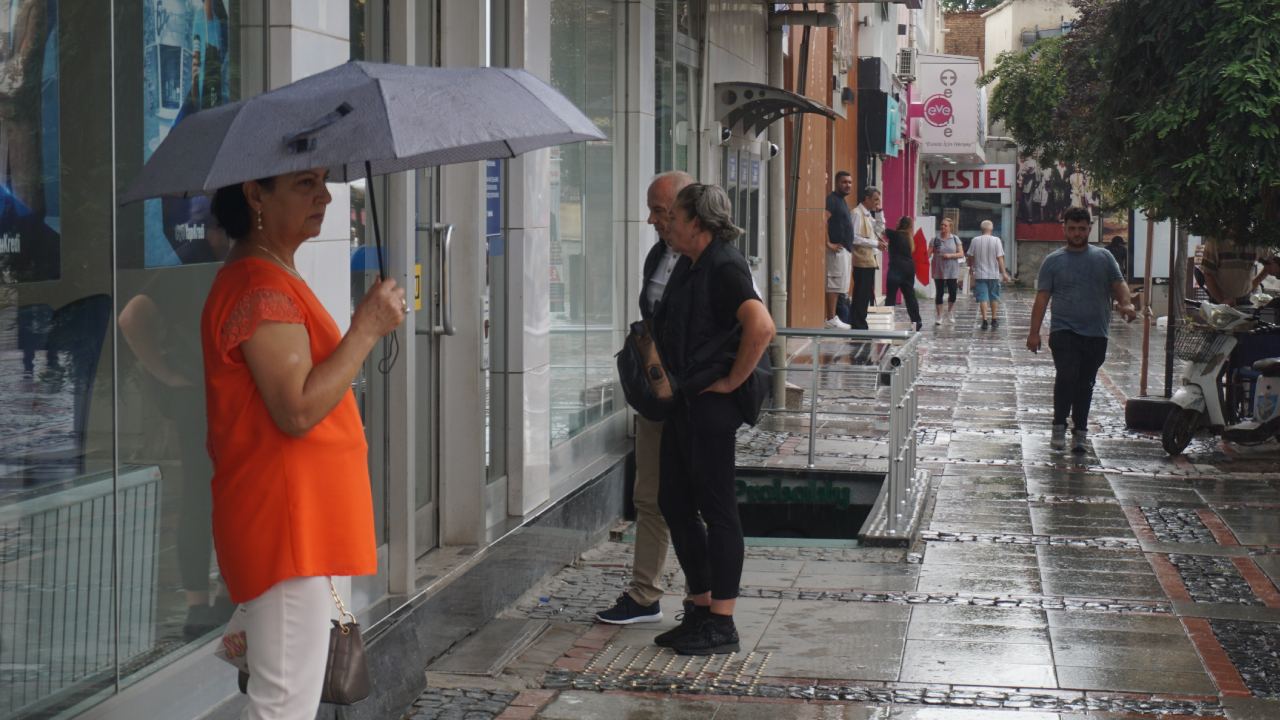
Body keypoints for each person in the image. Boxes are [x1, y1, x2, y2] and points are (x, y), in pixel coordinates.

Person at [203, 168, 406, 718]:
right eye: (303, 183)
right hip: (285, 526)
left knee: (284, 693)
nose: (324, 195)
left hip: (291, 521)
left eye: (322, 181)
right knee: (284, 702)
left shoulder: (267, 275)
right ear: (255, 195)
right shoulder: (259, 287)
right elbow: (295, 408)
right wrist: (365, 328)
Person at [652, 183, 775, 655]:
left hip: (711, 405)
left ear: (698, 224)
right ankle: (700, 606)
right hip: (686, 401)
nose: (669, 227)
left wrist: (731, 381)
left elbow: (761, 326)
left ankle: (722, 621)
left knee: (718, 510)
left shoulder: (724, 264)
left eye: (675, 219)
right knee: (674, 500)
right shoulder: (690, 263)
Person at [595, 171, 693, 627]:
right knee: (649, 495)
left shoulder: (711, 260)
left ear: (685, 210)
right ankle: (644, 594)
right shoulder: (658, 255)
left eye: (660, 211)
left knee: (696, 499)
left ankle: (705, 596)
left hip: (695, 401)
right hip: (657, 397)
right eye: (652, 209)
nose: (652, 219)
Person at [1026, 207, 1136, 452]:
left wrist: (1126, 304)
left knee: (1085, 383)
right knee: (1066, 376)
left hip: (1096, 332)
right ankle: (1058, 426)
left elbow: (1119, 284)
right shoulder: (1053, 261)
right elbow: (1042, 298)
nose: (1077, 233)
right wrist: (1034, 333)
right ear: (1064, 228)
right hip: (1063, 331)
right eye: (1072, 228)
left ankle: (1080, 432)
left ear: (1089, 229)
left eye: (1082, 229)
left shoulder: (1104, 258)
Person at [849, 186, 887, 330]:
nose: (877, 203)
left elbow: (879, 230)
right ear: (867, 198)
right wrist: (875, 244)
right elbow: (854, 238)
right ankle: (858, 323)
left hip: (869, 260)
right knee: (861, 293)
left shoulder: (868, 215)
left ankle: (860, 322)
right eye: (875, 200)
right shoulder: (857, 214)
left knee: (865, 294)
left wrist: (880, 213)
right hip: (861, 260)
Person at [1201, 237, 1275, 306]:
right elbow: (1208, 274)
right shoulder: (1215, 240)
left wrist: (1254, 284)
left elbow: (1271, 262)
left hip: (1246, 299)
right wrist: (1222, 301)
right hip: (1219, 300)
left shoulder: (1255, 240)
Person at [823, 171, 855, 329]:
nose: (847, 185)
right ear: (836, 183)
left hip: (845, 250)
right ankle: (831, 318)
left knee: (840, 285)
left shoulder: (842, 201)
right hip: (836, 249)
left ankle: (834, 317)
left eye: (849, 182)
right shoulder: (833, 200)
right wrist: (828, 243)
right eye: (844, 182)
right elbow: (823, 219)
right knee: (834, 284)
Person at [967, 220, 1010, 330]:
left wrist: (971, 268)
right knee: (994, 297)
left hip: (980, 274)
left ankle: (985, 320)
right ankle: (994, 319)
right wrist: (1004, 273)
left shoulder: (975, 240)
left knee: (983, 298)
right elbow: (1000, 258)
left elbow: (970, 257)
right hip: (994, 274)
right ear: (991, 229)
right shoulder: (996, 240)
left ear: (981, 229)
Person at [883, 216, 922, 331]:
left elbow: (880, 229)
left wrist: (879, 211)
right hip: (909, 268)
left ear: (901, 224)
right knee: (910, 296)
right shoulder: (908, 238)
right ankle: (916, 321)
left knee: (890, 297)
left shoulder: (895, 235)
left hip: (896, 268)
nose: (895, 223)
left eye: (898, 222)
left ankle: (887, 321)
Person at [930, 218, 963, 325]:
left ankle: (950, 312)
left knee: (953, 292)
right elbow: (928, 253)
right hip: (938, 270)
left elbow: (961, 254)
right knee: (939, 293)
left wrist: (950, 255)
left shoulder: (955, 239)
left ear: (950, 227)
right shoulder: (935, 239)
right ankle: (939, 315)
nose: (943, 227)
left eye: (945, 225)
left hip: (952, 270)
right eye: (941, 225)